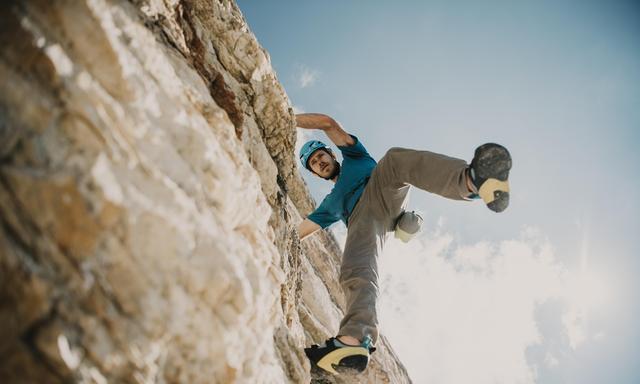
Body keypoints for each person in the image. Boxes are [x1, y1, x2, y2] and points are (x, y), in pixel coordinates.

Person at [296, 113, 511, 375]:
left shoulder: (356, 158)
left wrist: (288, 117)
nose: (320, 163)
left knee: (394, 159)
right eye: (314, 164)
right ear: (315, 173)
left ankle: (472, 181)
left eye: (321, 156)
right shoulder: (330, 204)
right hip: (366, 222)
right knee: (356, 263)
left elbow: (327, 124)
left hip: (383, 188)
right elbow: (300, 231)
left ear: (331, 154)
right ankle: (352, 342)